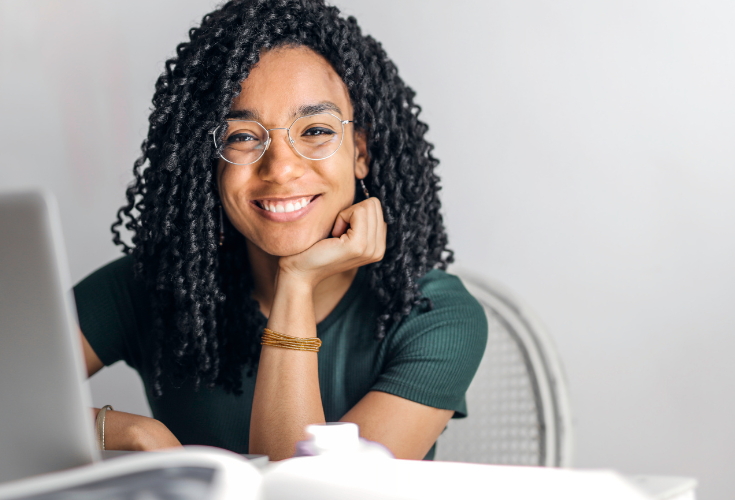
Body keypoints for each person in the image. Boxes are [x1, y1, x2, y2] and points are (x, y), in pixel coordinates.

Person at [74, 0, 487, 461]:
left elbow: (306, 493)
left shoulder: (434, 316)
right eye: (243, 136)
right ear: (209, 160)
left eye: (315, 131)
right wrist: (127, 432)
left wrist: (296, 283)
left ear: (360, 152)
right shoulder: (153, 285)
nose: (281, 168)